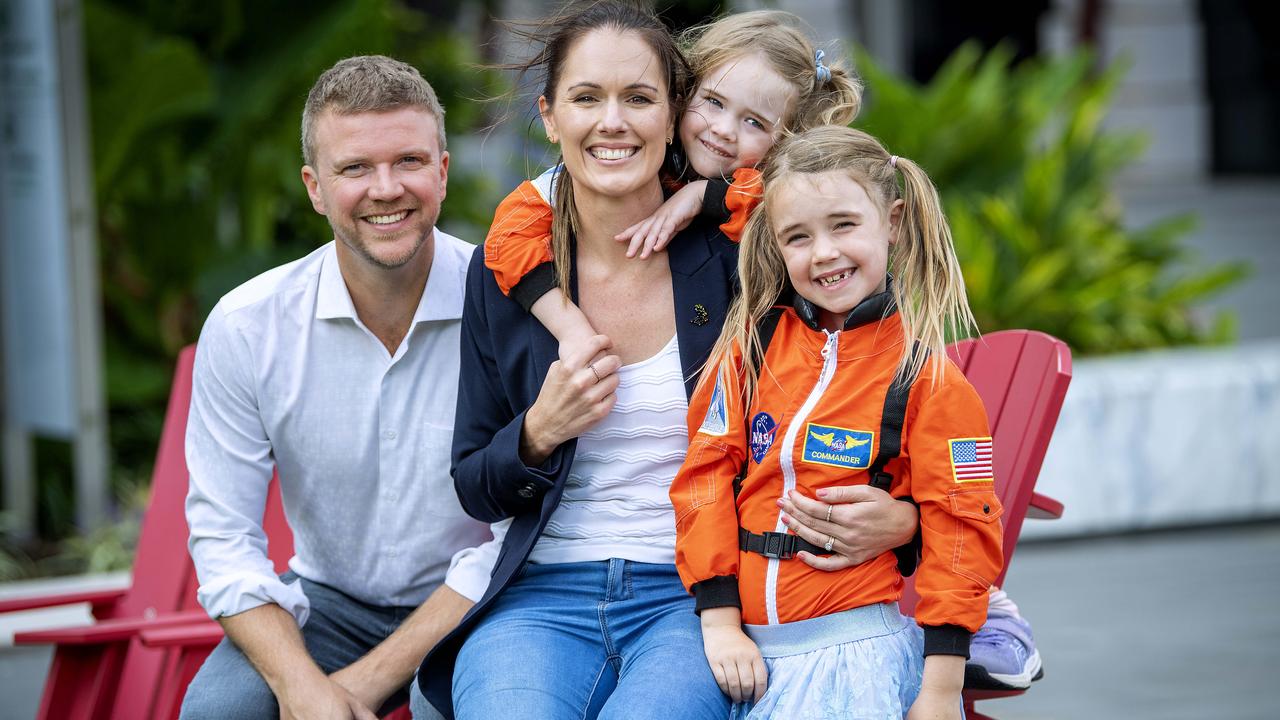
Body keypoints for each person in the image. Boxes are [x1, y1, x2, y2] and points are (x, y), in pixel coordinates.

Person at [412, 5, 917, 719]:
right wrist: (539, 432)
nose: (613, 123)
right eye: (587, 98)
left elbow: (871, 372)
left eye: (639, 98)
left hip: (696, 598)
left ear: (670, 111)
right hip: (540, 594)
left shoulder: (749, 259)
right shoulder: (515, 265)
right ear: (551, 117)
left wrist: (906, 519)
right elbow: (475, 484)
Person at [181, 56, 498, 720]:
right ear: (315, 187)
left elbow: (519, 533)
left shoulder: (509, 311)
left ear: (442, 172)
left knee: (443, 702)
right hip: (325, 603)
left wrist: (362, 683)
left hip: (479, 604)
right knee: (219, 711)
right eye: (355, 168)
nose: (386, 188)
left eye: (408, 161)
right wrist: (300, 683)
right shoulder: (248, 327)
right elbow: (225, 536)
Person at [670, 124, 1005, 719]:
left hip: (849, 657)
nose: (823, 252)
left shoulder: (928, 379)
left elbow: (963, 529)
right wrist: (720, 620)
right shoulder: (750, 349)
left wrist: (942, 690)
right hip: (736, 652)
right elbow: (703, 477)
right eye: (797, 236)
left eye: (844, 225)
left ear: (894, 222)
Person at [481, 10, 860, 365]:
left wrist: (703, 196)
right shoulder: (603, 173)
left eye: (755, 123)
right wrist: (569, 327)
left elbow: (792, 203)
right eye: (713, 102)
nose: (725, 129)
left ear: (783, 141)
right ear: (684, 97)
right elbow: (507, 237)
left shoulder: (774, 191)